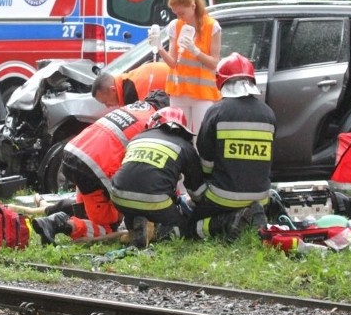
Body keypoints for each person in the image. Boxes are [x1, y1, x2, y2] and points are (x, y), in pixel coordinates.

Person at [32, 90, 169, 245]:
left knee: (86, 211)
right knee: (109, 227)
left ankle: (57, 218)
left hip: (74, 152)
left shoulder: (133, 108)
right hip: (94, 167)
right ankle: (58, 223)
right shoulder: (153, 122)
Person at [190, 52, 275, 242]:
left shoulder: (216, 111)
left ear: (220, 81)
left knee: (192, 224)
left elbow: (205, 159)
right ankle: (252, 216)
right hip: (260, 197)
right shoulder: (269, 114)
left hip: (222, 197)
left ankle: (230, 220)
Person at [110, 106, 207, 248]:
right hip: (154, 200)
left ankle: (136, 229)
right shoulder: (185, 147)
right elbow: (196, 191)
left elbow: (132, 174)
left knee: (139, 212)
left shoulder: (136, 138)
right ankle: (154, 232)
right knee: (183, 228)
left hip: (118, 197)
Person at [154, 0, 221, 133]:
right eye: (176, 13)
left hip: (202, 93)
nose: (179, 17)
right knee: (179, 135)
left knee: (200, 137)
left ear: (193, 6)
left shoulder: (212, 26)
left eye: (181, 13)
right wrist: (159, 47)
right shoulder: (175, 25)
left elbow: (214, 63)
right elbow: (173, 63)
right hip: (179, 91)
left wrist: (195, 50)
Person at [91, 61, 170, 108]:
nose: (107, 107)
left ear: (113, 90)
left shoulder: (131, 94)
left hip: (177, 91)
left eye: (105, 102)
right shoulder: (126, 80)